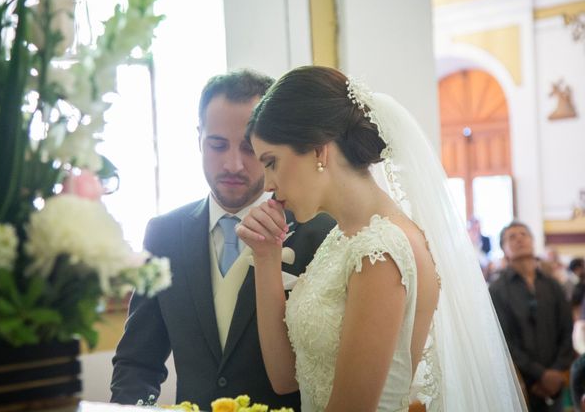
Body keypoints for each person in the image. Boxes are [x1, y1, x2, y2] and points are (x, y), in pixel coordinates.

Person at [236, 65, 526, 411]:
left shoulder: (381, 252)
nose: (267, 184)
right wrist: (268, 258)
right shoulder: (342, 240)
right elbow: (285, 378)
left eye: (272, 162)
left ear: (318, 151)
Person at [109, 70, 335, 409]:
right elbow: (137, 362)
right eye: (217, 145)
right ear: (198, 138)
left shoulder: (319, 232)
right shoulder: (164, 234)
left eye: (248, 148)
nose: (232, 164)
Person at [490, 221, 575, 412]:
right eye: (512, 237)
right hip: (521, 384)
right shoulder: (497, 290)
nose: (519, 238)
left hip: (555, 381)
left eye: (523, 234)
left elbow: (566, 328)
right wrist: (539, 375)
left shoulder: (552, 286)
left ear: (532, 241)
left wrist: (556, 371)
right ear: (504, 249)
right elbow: (504, 341)